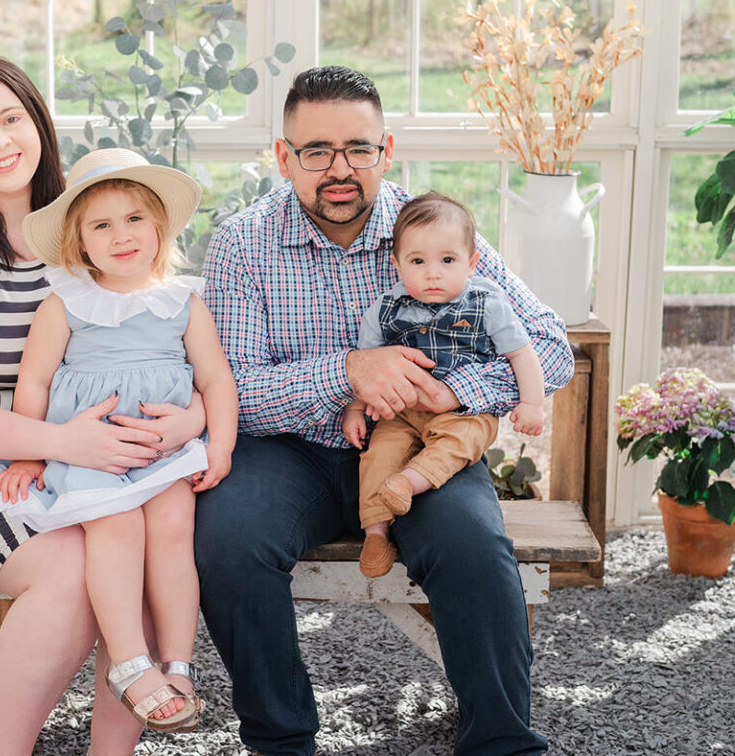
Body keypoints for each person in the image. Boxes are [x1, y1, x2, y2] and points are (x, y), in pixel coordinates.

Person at [197, 65, 573, 756]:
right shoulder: (242, 244)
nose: (339, 169)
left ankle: (502, 742)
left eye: (358, 148)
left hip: (419, 445)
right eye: (316, 151)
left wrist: (457, 392)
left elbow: (550, 348)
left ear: (386, 150)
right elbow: (236, 391)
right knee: (227, 538)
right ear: (284, 157)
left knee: (472, 543)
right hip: (290, 451)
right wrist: (347, 372)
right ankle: (281, 740)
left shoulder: (433, 227)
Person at [0, 57, 206, 756]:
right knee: (70, 565)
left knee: (136, 537)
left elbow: (171, 350)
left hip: (90, 453)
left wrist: (193, 421)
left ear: (39, 126)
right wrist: (68, 445)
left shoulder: (89, 227)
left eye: (11, 119)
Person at [0, 148, 238, 732]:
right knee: (118, 526)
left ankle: (176, 662)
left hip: (162, 452)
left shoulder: (182, 301)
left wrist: (219, 443)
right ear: (79, 240)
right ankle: (129, 662)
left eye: (134, 219)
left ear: (159, 227)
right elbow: (36, 378)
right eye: (101, 224)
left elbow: (216, 378)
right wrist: (31, 451)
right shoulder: (67, 301)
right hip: (89, 447)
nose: (121, 235)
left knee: (174, 528)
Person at [342, 191, 545, 577]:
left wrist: (532, 404)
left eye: (447, 260)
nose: (432, 273)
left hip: (464, 413)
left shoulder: (488, 303)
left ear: (472, 264)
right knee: (377, 453)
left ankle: (407, 482)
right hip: (400, 413)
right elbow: (365, 369)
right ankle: (376, 533)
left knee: (459, 444)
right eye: (417, 261)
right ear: (397, 264)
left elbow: (522, 353)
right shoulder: (384, 310)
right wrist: (355, 410)